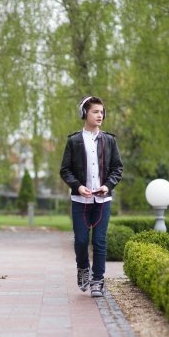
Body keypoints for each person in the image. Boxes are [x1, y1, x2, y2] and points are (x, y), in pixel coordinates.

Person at [59, 96, 123, 297]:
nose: (100, 115)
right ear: (84, 113)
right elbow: (65, 170)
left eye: (102, 112)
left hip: (102, 201)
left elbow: (117, 168)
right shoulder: (74, 141)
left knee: (99, 241)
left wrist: (107, 186)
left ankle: (97, 280)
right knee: (80, 241)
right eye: (95, 111)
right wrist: (78, 187)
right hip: (80, 201)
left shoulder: (110, 140)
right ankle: (83, 268)